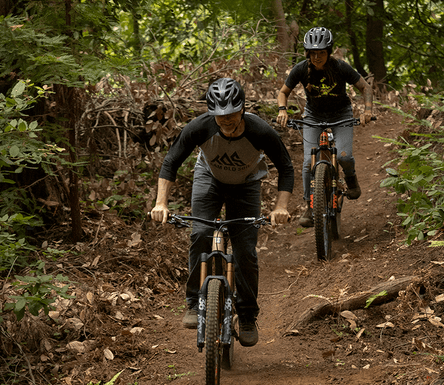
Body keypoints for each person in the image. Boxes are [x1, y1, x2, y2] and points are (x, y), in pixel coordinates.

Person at [151, 77, 294, 347]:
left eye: (231, 115)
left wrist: (281, 207)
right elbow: (171, 162)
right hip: (209, 179)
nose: (226, 121)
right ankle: (194, 303)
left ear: (242, 109)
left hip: (247, 184)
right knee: (201, 233)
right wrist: (161, 203)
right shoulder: (200, 127)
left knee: (244, 250)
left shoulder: (260, 131)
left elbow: (286, 167)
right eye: (220, 116)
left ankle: (248, 315)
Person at [277, 26, 373, 227]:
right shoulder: (302, 69)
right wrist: (282, 110)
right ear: (308, 53)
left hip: (341, 113)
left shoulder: (340, 67)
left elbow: (365, 87)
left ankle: (351, 179)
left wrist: (367, 110)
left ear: (328, 53)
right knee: (306, 163)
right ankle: (310, 206)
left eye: (321, 52)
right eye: (313, 53)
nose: (317, 57)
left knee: (344, 156)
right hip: (313, 115)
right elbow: (283, 92)